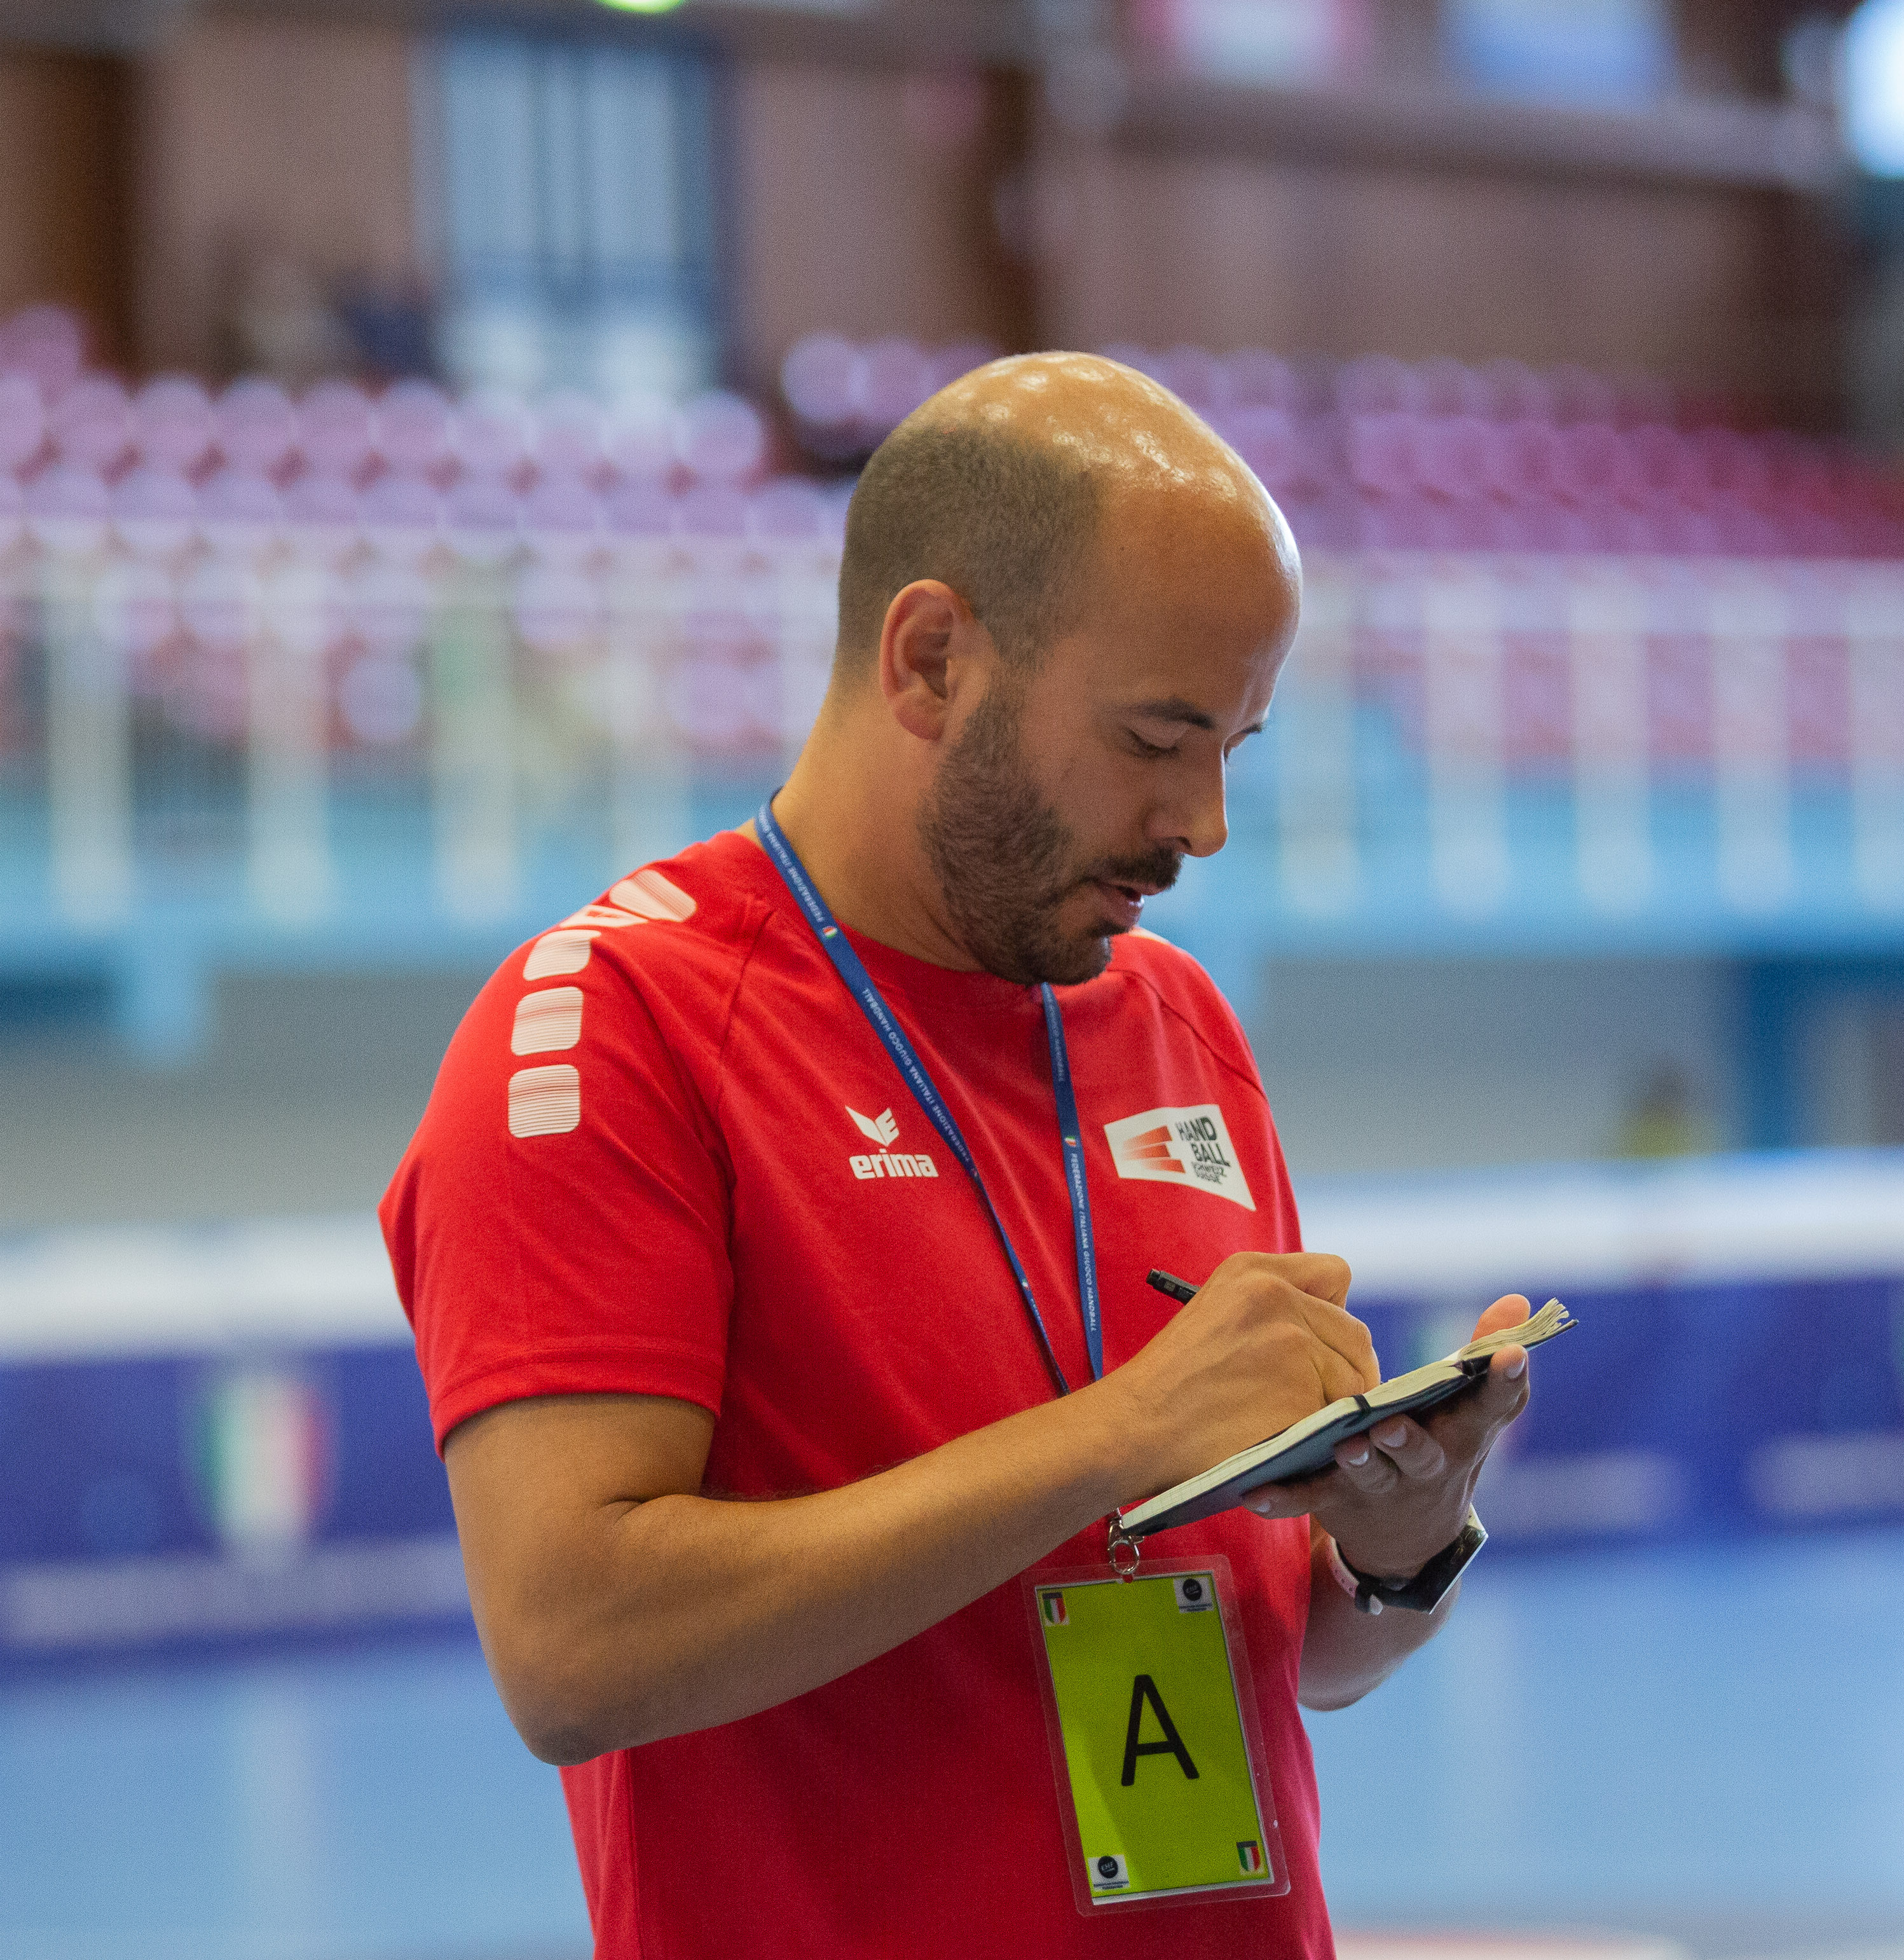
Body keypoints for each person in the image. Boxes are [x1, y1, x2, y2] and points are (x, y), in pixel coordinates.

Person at [381, 353, 1531, 1958]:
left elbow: (1283, 1647)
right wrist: (1120, 1431)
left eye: (1237, 751)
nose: (1203, 824)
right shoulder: (609, 1026)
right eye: (1156, 738)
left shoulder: (1173, 1022)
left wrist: (1397, 1558)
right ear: (931, 661)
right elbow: (574, 1650)